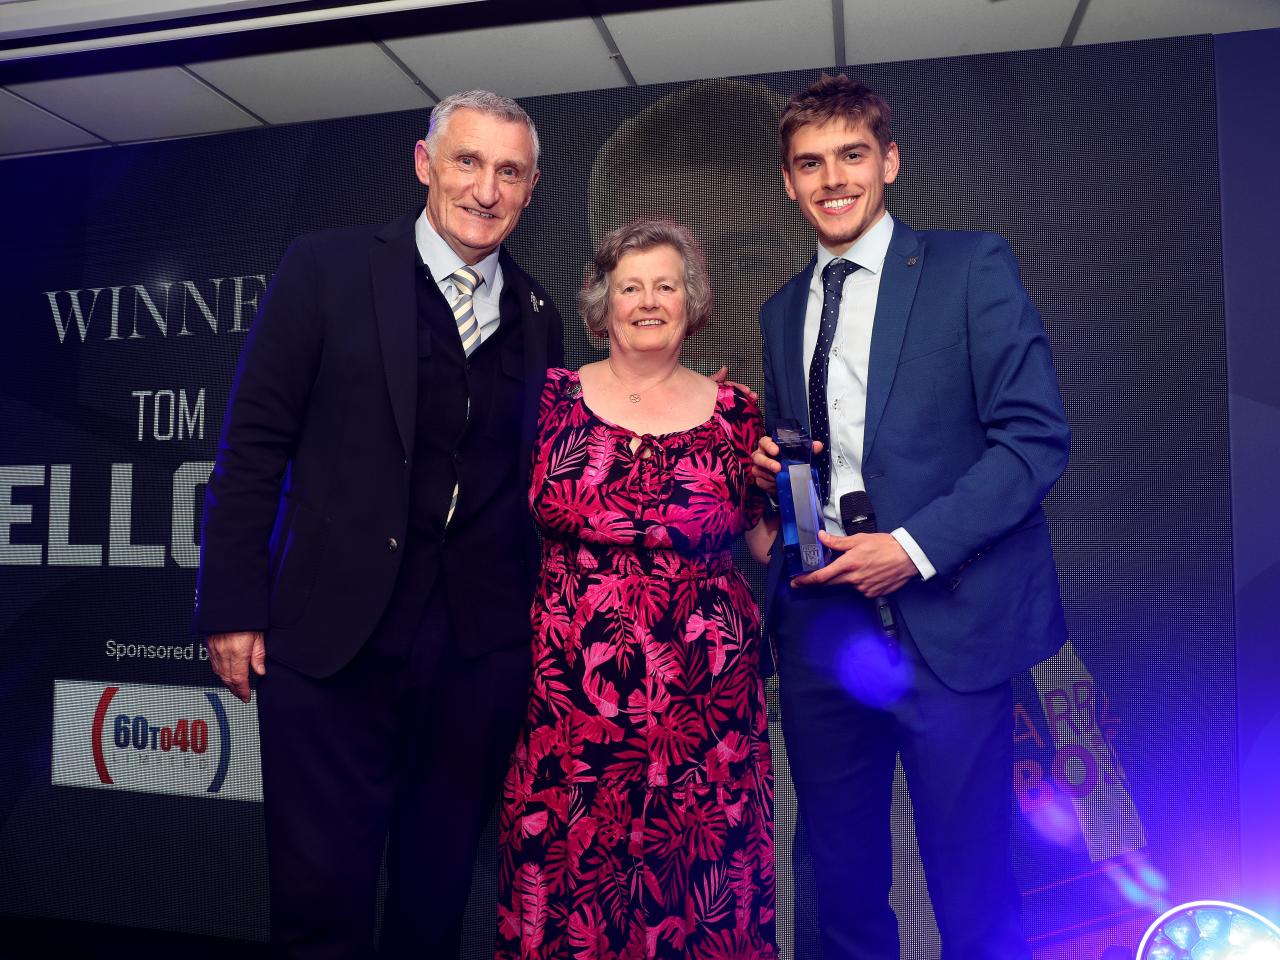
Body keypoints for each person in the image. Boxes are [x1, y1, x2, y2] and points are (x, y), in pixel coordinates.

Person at [193, 90, 563, 959]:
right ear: (424, 163)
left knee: (434, 901)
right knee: (320, 898)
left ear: (531, 188)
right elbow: (253, 445)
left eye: (509, 171)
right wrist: (231, 603)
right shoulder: (326, 268)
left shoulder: (539, 316)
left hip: (474, 659)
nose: (486, 190)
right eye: (467, 161)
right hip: (330, 645)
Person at [751, 74, 1071, 959]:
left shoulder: (972, 268)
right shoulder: (781, 311)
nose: (833, 179)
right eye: (809, 163)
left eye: (851, 155)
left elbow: (1033, 439)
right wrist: (776, 475)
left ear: (888, 161)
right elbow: (816, 455)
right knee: (842, 886)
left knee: (973, 888)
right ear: (788, 181)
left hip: (949, 623)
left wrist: (912, 548)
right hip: (824, 633)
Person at [494, 218, 777, 960]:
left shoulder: (738, 413)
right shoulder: (547, 400)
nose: (648, 301)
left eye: (666, 286)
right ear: (603, 303)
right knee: (575, 887)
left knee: (697, 887)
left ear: (692, 300)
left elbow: (767, 544)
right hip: (571, 702)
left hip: (705, 708)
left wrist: (797, 489)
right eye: (631, 287)